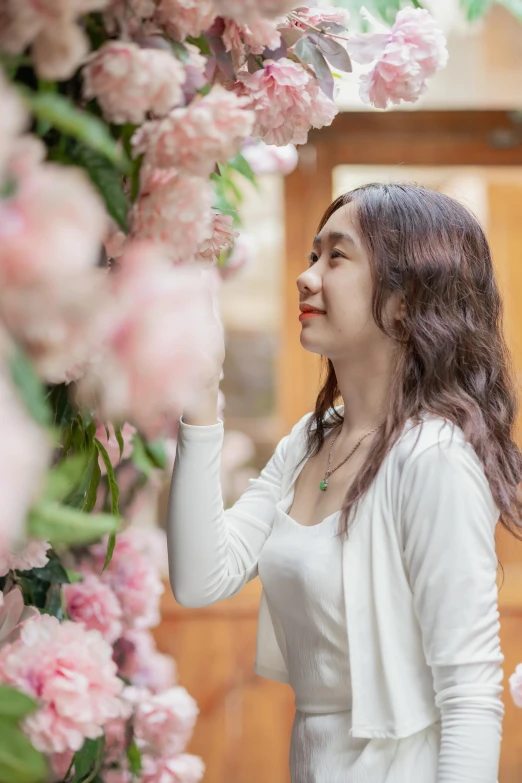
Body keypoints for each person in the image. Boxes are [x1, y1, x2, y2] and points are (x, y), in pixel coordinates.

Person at [166, 182, 522, 783]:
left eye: (336, 256)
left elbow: (470, 696)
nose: (306, 277)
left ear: (406, 299)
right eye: (312, 255)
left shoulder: (432, 456)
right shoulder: (312, 438)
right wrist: (202, 392)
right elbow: (202, 579)